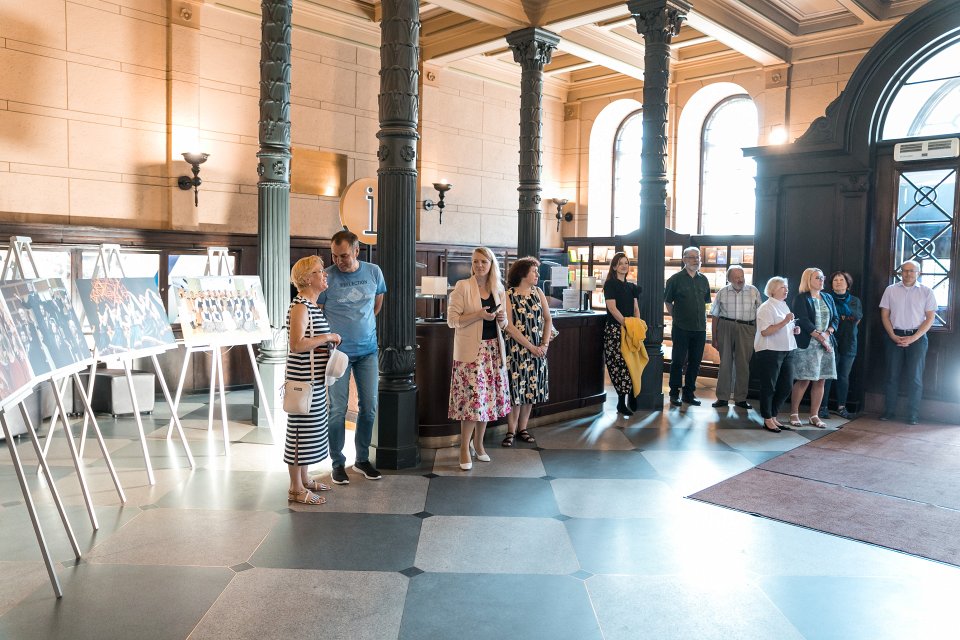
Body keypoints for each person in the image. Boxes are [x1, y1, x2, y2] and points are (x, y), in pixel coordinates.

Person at [317, 229, 387, 484]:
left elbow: (376, 304)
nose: (338, 261)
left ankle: (362, 460)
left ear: (356, 251)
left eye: (344, 256)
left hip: (368, 350)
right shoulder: (327, 277)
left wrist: (363, 326)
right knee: (337, 409)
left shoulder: (373, 272)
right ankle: (337, 463)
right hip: (338, 354)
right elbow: (319, 311)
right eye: (334, 256)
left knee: (369, 408)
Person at [447, 247, 511, 470]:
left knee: (486, 401)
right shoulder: (463, 287)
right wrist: (479, 315)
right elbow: (452, 320)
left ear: (492, 264)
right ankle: (464, 447)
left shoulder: (498, 289)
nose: (479, 266)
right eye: (475, 262)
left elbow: (505, 325)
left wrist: (501, 319)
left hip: (493, 351)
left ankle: (479, 443)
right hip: (470, 354)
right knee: (471, 403)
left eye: (484, 262)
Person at [285, 256, 341, 505]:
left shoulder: (310, 305)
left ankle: (305, 479)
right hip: (302, 382)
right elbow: (296, 344)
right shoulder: (300, 306)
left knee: (309, 433)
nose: (325, 275)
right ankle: (296, 488)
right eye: (320, 272)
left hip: (315, 381)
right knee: (298, 433)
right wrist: (327, 336)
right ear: (308, 279)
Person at [879, 260, 937, 425]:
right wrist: (892, 335)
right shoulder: (890, 290)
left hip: (917, 339)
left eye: (912, 271)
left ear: (918, 273)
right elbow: (884, 315)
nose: (908, 274)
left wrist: (913, 337)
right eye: (905, 270)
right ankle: (889, 411)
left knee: (915, 378)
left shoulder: (927, 292)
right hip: (893, 336)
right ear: (900, 272)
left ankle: (913, 415)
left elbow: (930, 318)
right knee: (891, 376)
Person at [502, 256, 552, 447]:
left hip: (538, 351)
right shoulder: (508, 294)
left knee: (531, 391)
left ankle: (523, 428)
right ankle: (510, 430)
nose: (537, 275)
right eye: (534, 271)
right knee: (516, 391)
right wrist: (530, 346)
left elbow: (548, 319)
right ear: (523, 273)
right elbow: (509, 326)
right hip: (516, 350)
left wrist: (544, 345)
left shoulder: (538, 292)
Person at [788, 268, 838, 428]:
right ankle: (794, 413)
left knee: (821, 380)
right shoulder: (801, 298)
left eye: (822, 277)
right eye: (818, 278)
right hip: (808, 344)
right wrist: (819, 336)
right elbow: (803, 320)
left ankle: (814, 415)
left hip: (826, 343)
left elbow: (836, 318)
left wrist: (828, 333)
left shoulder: (828, 297)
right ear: (808, 280)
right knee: (804, 379)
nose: (821, 280)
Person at [664, 247, 711, 407]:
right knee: (677, 361)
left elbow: (706, 303)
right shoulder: (675, 279)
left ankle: (689, 393)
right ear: (684, 259)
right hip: (681, 328)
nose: (696, 260)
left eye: (698, 257)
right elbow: (668, 302)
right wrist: (677, 317)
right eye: (692, 257)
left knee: (695, 362)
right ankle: (674, 393)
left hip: (700, 329)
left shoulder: (703, 279)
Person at [710, 265, 761, 409]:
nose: (740, 279)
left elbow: (760, 315)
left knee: (743, 364)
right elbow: (715, 315)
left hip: (747, 328)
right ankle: (722, 397)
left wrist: (757, 334)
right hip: (726, 326)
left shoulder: (753, 291)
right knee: (725, 363)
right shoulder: (722, 292)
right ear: (729, 279)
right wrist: (714, 337)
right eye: (736, 277)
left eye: (742, 276)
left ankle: (740, 398)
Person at [754, 276, 801, 432]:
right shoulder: (766, 307)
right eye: (783, 287)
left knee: (786, 385)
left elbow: (785, 327)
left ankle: (774, 415)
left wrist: (794, 329)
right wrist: (785, 322)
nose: (786, 290)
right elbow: (765, 331)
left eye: (787, 287)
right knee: (769, 386)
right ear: (773, 290)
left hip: (788, 349)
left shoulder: (784, 305)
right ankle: (767, 418)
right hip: (770, 350)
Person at [819, 271, 863, 419]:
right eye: (835, 280)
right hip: (830, 341)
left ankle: (841, 407)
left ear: (847, 283)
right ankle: (822, 407)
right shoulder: (826, 298)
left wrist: (843, 318)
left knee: (843, 376)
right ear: (831, 284)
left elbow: (856, 318)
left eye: (841, 280)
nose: (838, 282)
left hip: (849, 342)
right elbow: (829, 318)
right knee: (828, 375)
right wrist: (845, 318)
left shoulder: (855, 300)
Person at [602, 252, 640, 415]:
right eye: (621, 263)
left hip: (630, 329)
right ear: (614, 266)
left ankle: (632, 394)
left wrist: (636, 324)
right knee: (619, 365)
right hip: (615, 330)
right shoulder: (611, 284)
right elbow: (612, 308)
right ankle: (620, 402)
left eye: (626, 263)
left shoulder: (631, 287)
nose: (624, 265)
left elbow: (636, 308)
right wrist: (626, 324)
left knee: (632, 363)